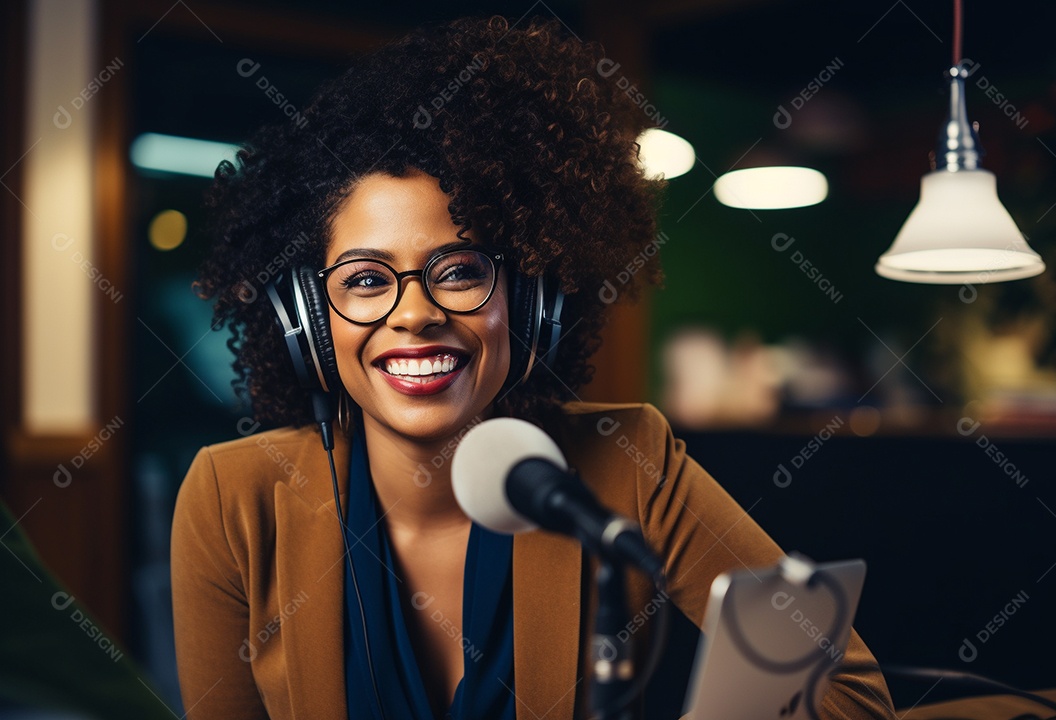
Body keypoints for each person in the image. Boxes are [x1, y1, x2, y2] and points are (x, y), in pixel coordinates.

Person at [171, 15, 896, 720]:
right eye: (365, 280)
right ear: (308, 321)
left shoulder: (625, 463)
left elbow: (850, 699)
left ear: (534, 302)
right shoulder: (233, 499)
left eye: (458, 271)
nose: (414, 314)